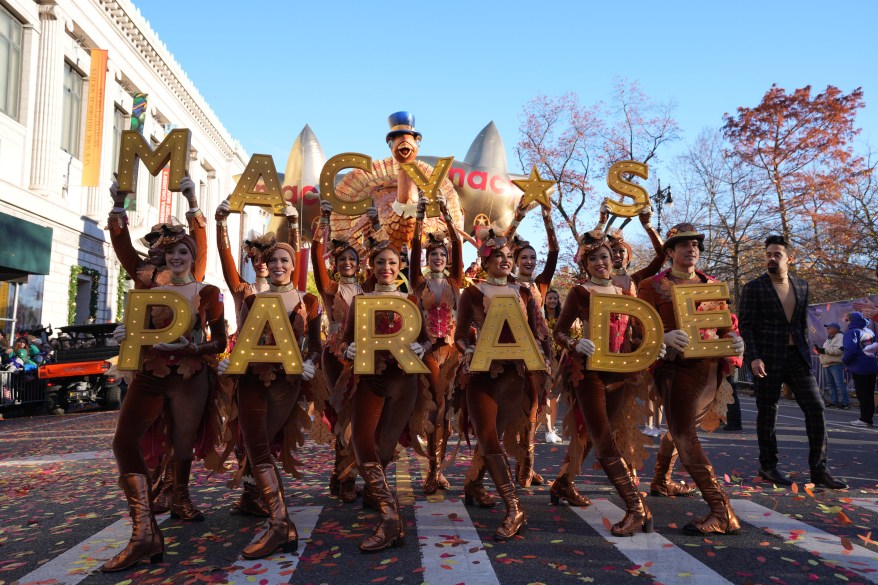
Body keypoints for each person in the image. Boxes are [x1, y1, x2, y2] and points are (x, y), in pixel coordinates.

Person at [104, 233, 226, 572]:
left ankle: (181, 499)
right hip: (151, 372)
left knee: (182, 444)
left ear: (193, 256)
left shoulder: (209, 293)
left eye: (183, 251)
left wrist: (193, 349)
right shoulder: (149, 292)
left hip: (190, 376)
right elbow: (138, 330)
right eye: (171, 251)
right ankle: (144, 528)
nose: (176, 257)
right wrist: (126, 333)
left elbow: (220, 342)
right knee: (123, 442)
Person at [550, 230, 660, 535]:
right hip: (588, 374)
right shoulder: (579, 292)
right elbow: (558, 331)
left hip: (620, 374)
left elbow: (637, 334)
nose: (601, 262)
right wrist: (574, 344)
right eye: (594, 258)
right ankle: (636, 507)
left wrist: (654, 343)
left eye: (606, 257)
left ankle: (562, 484)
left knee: (593, 434)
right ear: (586, 263)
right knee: (603, 441)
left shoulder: (626, 296)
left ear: (614, 260)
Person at [639, 223, 746, 535]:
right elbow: (640, 328)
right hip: (674, 369)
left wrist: (736, 341)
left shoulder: (712, 285)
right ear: (670, 252)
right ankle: (720, 508)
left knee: (680, 429)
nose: (692, 249)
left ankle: (661, 480)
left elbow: (726, 328)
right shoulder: (650, 286)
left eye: (696, 244)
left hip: (709, 371)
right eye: (683, 244)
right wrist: (663, 335)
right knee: (684, 433)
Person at [218, 242, 321, 559]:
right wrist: (229, 361)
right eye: (272, 260)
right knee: (255, 446)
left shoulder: (309, 301)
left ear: (294, 265)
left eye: (284, 260)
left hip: (285, 383)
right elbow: (243, 339)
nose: (278, 265)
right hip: (250, 379)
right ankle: (280, 525)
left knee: (261, 445)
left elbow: (315, 344)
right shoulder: (253, 299)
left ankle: (281, 526)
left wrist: (311, 362)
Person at [339, 240, 430, 553]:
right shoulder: (360, 301)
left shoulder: (412, 300)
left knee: (385, 448)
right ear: (371, 267)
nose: (386, 268)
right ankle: (391, 518)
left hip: (404, 383)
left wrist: (422, 347)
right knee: (362, 442)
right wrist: (347, 350)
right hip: (369, 379)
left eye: (392, 262)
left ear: (400, 266)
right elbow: (342, 341)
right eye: (380, 263)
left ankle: (377, 497)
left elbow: (427, 341)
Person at [214, 197, 303, 518]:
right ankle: (254, 494)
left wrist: (294, 225)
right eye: (262, 258)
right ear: (253, 261)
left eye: (274, 259)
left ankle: (263, 495)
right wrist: (220, 223)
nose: (269, 263)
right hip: (246, 366)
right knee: (244, 433)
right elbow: (226, 261)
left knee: (270, 434)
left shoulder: (292, 290)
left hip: (283, 367)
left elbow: (293, 259)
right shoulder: (244, 290)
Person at [738, 235, 847, 489]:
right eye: (768, 254)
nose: (771, 258)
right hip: (766, 358)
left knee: (816, 408)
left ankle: (819, 470)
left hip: (796, 357)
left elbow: (799, 323)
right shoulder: (754, 287)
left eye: (777, 254)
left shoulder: (801, 286)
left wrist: (807, 352)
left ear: (789, 258)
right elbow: (746, 325)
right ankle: (768, 465)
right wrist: (753, 357)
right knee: (768, 412)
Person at [455, 231, 538, 541]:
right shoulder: (472, 293)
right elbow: (460, 334)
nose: (505, 259)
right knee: (489, 439)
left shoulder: (524, 293)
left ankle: (475, 486)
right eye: (498, 255)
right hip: (481, 375)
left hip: (514, 377)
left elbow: (532, 333)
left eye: (508, 255)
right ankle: (514, 508)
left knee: (495, 439)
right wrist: (468, 349)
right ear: (486, 261)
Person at [313, 199, 377, 503]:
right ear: (335, 264)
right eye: (342, 260)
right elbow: (315, 256)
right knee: (343, 414)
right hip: (336, 355)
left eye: (353, 259)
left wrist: (375, 225)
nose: (348, 263)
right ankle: (346, 477)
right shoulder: (329, 289)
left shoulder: (368, 289)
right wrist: (324, 220)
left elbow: (381, 257)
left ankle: (343, 473)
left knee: (362, 415)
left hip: (366, 353)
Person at [410, 194, 462, 494]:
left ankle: (438, 470)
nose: (438, 258)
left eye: (442, 255)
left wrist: (447, 215)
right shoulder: (419, 283)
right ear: (427, 260)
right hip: (428, 349)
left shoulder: (455, 282)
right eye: (433, 256)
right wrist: (420, 216)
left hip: (452, 350)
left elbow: (457, 245)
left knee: (446, 409)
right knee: (436, 407)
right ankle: (433, 471)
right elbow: (414, 250)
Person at [504, 199, 558, 487]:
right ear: (514, 260)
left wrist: (548, 218)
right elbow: (500, 244)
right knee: (513, 413)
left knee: (535, 413)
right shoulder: (507, 283)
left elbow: (554, 252)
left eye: (532, 259)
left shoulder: (541, 285)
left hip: (538, 356)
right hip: (510, 356)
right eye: (524, 257)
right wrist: (519, 218)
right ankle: (512, 466)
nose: (529, 262)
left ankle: (526, 467)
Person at [843, 312, 877, 427]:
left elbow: (850, 350)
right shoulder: (869, 331)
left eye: (848, 320)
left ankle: (865, 419)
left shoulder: (852, 332)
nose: (847, 322)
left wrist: (844, 360)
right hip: (871, 366)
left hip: (859, 367)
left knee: (863, 394)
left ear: (852, 320)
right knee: (869, 394)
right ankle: (868, 418)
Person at [543, 290, 562, 444]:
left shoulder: (562, 318)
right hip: (544, 360)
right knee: (548, 395)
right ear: (545, 300)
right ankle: (548, 430)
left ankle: (552, 427)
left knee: (555, 396)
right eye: (550, 298)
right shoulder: (539, 318)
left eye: (555, 298)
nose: (552, 301)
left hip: (560, 361)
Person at [818, 322, 848, 409]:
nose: (827, 329)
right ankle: (834, 402)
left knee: (839, 384)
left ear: (836, 329)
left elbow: (839, 350)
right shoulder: (829, 338)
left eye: (829, 328)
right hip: (827, 363)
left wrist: (824, 350)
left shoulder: (840, 337)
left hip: (836, 364)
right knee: (831, 384)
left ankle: (845, 403)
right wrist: (820, 350)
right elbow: (827, 350)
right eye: (827, 328)